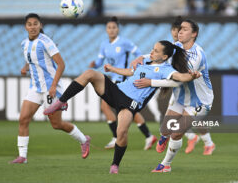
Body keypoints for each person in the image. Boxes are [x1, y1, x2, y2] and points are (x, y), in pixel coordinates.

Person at [43, 40, 201, 173]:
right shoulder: (145, 62)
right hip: (117, 90)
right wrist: (112, 69)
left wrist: (191, 75)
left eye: (156, 51)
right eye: (152, 49)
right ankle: (61, 101)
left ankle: (115, 165)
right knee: (90, 74)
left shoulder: (166, 70)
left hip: (130, 103)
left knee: (122, 132)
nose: (151, 52)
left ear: (164, 56)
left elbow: (180, 77)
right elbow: (131, 72)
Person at [133, 19, 215, 173]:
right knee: (165, 130)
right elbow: (162, 53)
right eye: (179, 29)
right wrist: (143, 58)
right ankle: (164, 136)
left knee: (176, 133)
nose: (180, 31)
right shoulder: (176, 46)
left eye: (184, 29)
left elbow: (177, 81)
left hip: (199, 102)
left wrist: (151, 82)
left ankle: (166, 165)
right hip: (181, 98)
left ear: (194, 34)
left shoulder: (196, 56)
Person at [10, 13, 91, 164]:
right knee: (23, 119)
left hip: (50, 88)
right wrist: (25, 67)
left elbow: (61, 64)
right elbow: (33, 59)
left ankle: (83, 139)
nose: (33, 27)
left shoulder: (46, 42)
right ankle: (22, 156)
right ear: (25, 27)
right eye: (30, 24)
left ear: (40, 25)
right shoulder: (24, 43)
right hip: (35, 87)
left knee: (56, 124)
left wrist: (53, 86)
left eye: (35, 24)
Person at [89, 16, 157, 150]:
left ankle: (116, 137)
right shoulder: (104, 45)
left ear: (118, 29)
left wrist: (139, 65)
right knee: (129, 109)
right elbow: (99, 61)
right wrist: (94, 64)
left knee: (106, 106)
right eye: (109, 27)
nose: (111, 30)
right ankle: (149, 136)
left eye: (114, 27)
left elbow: (138, 54)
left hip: (122, 78)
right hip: (113, 76)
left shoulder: (124, 42)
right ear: (106, 29)